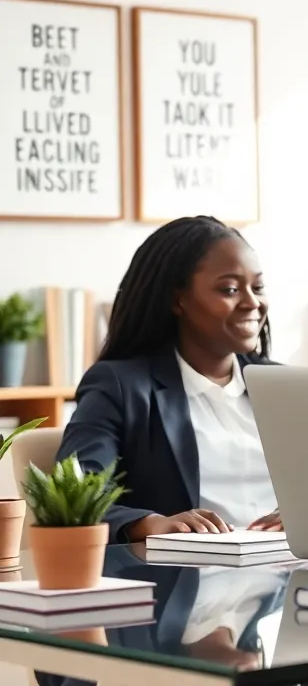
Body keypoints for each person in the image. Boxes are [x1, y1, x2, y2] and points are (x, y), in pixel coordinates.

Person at [56, 216, 285, 543]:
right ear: (178, 299)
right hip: (188, 581)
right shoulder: (120, 386)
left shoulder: (282, 386)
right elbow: (76, 490)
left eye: (257, 287)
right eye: (230, 289)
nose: (252, 303)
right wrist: (150, 524)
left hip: (285, 580)